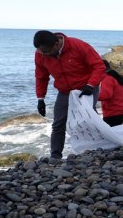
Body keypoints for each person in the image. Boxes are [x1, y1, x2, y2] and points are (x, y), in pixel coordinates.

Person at [33, 30, 105, 159]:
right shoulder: (40, 54)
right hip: (65, 91)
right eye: (40, 51)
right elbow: (41, 77)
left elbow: (99, 66)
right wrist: (40, 98)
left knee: (89, 118)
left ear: (56, 44)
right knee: (58, 123)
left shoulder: (78, 45)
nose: (43, 55)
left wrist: (91, 85)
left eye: (45, 51)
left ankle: (99, 148)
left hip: (87, 87)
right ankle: (55, 156)